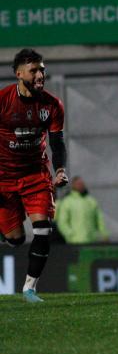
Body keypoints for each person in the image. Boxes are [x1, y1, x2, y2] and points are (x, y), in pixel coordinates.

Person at [0, 49, 69, 302]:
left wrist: (60, 169)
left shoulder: (51, 105)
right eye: (34, 70)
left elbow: (57, 141)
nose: (41, 74)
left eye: (42, 69)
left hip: (36, 175)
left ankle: (29, 288)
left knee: (43, 230)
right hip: (4, 177)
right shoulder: (3, 101)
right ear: (19, 74)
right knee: (15, 239)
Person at [56, 176, 108, 244]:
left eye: (82, 184)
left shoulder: (91, 201)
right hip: (74, 242)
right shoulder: (67, 202)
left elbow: (99, 219)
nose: (80, 185)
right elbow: (62, 222)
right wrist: (70, 234)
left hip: (91, 241)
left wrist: (104, 234)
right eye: (78, 184)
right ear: (73, 185)